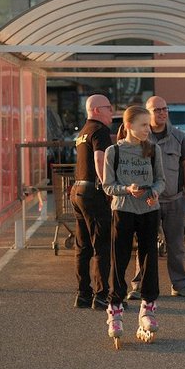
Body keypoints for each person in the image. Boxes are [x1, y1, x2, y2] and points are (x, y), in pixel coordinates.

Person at [102, 106, 166, 348]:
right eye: (143, 125)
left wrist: (154, 192)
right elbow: (108, 185)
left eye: (148, 125)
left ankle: (148, 308)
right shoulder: (113, 152)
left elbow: (161, 179)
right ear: (128, 126)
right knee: (119, 260)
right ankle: (115, 311)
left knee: (149, 259)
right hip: (123, 210)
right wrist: (127, 189)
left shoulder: (153, 149)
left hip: (149, 211)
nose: (147, 129)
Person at [127, 96, 185, 300]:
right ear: (147, 113)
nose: (162, 113)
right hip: (146, 202)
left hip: (174, 199)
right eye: (157, 110)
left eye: (164, 109)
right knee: (145, 244)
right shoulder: (139, 137)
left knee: (176, 246)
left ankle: (180, 284)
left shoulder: (178, 136)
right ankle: (139, 286)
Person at [69, 94, 114, 310]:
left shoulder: (83, 131)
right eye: (108, 107)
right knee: (101, 245)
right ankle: (102, 295)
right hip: (93, 192)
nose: (112, 111)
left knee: (82, 246)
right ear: (96, 110)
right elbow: (99, 159)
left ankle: (83, 294)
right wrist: (108, 186)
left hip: (77, 191)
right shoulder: (100, 130)